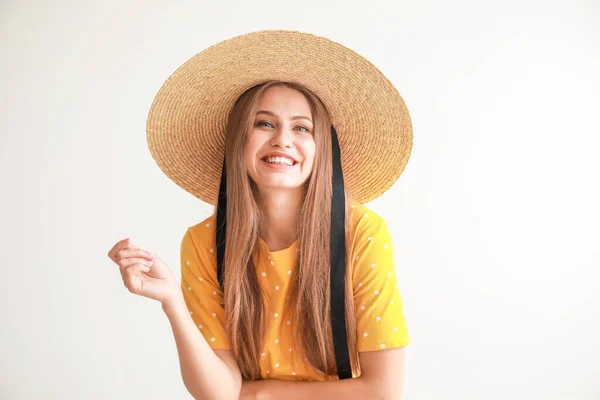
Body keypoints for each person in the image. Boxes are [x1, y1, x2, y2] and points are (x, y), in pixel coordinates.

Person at [107, 30, 413, 400]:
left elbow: (384, 392)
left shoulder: (361, 233)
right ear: (240, 139)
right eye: (265, 123)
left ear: (323, 150)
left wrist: (259, 395)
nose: (282, 139)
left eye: (302, 127)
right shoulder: (204, 243)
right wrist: (173, 302)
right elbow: (219, 394)